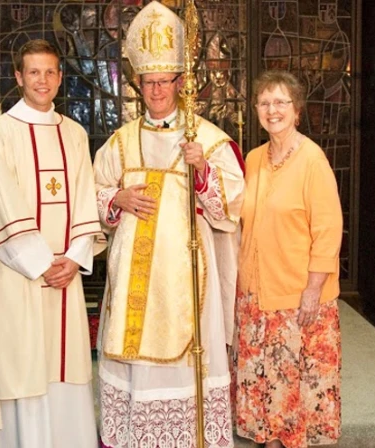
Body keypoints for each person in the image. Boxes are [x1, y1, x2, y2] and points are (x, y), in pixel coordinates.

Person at [93, 2, 245, 447]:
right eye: (149, 82)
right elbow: (92, 198)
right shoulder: (120, 143)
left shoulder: (208, 139)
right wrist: (116, 198)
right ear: (137, 84)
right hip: (132, 286)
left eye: (164, 81)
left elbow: (231, 207)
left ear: (180, 82)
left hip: (186, 281)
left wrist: (202, 173)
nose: (157, 90)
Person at [0, 39, 104, 448]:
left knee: (66, 364)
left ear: (60, 77)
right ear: (18, 77)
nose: (42, 80)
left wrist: (75, 259)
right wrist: (42, 261)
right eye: (33, 72)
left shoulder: (75, 134)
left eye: (50, 72)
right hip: (19, 275)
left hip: (65, 276)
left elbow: (84, 196)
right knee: (22, 362)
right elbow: (0, 201)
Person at [233, 70, 343, 448]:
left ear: (297, 110)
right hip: (255, 287)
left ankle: (285, 437)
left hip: (296, 293)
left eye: (281, 102)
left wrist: (314, 288)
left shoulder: (312, 159)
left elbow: (328, 228)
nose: (272, 110)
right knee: (262, 372)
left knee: (290, 377)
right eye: (264, 103)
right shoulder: (253, 158)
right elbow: (238, 212)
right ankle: (267, 433)